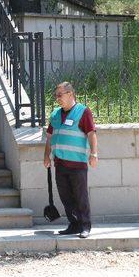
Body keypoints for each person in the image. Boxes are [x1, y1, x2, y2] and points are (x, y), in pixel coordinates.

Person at [43, 82, 98, 239]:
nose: (57, 98)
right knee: (65, 196)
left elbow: (91, 134)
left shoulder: (83, 112)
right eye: (56, 95)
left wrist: (94, 154)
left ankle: (85, 225)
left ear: (70, 94)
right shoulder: (55, 114)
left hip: (77, 163)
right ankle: (74, 224)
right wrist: (46, 155)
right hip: (60, 163)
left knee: (80, 196)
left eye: (60, 95)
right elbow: (49, 137)